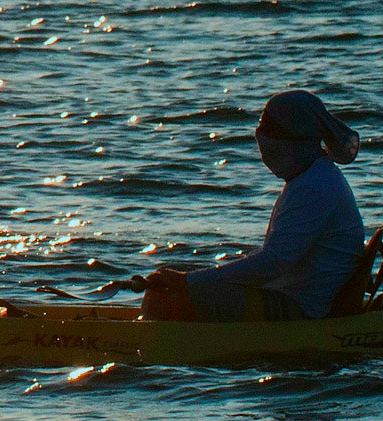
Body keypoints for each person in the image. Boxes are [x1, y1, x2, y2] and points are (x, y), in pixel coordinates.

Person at [143, 89, 364, 323]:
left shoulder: (315, 186)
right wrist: (195, 278)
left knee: (169, 298)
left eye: (270, 130)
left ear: (296, 136)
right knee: (173, 290)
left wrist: (187, 281)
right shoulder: (310, 176)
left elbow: (273, 264)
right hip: (287, 294)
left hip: (302, 310)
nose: (262, 137)